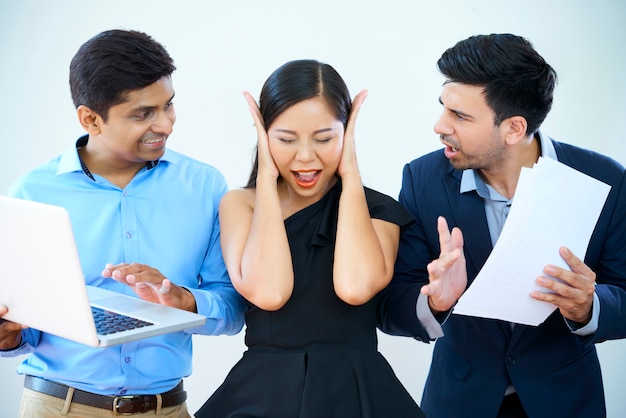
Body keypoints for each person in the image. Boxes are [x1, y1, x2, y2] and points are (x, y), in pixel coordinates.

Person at [376, 33, 626, 418]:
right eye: (444, 107)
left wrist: (589, 306)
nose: (439, 125)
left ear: (513, 128)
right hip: (459, 403)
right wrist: (434, 301)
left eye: (459, 116)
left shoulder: (604, 180)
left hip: (566, 401)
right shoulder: (421, 179)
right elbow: (389, 305)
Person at [0, 29, 246, 417]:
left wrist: (184, 300)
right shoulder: (31, 195)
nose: (165, 124)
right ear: (90, 119)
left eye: (168, 105)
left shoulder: (205, 186)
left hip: (168, 408)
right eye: (142, 114)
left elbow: (232, 310)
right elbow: (25, 328)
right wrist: (7, 335)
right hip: (59, 407)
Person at [195, 59, 424, 418]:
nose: (305, 157)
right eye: (286, 139)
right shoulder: (241, 203)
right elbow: (269, 293)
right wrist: (268, 178)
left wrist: (350, 174)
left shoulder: (380, 210)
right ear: (264, 135)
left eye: (325, 139)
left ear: (347, 135)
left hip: (358, 392)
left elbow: (355, 287)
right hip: (262, 393)